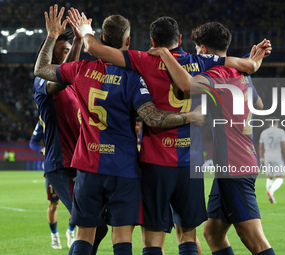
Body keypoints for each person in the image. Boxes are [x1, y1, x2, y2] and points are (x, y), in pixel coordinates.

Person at [79, 12, 266, 255]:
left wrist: (85, 31)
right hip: (190, 163)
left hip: (155, 162)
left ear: (152, 41)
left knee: (152, 239)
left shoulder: (143, 59)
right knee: (188, 234)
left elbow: (95, 50)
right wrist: (253, 62)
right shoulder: (201, 61)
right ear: (179, 38)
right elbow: (241, 65)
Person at [34, 5, 204, 255]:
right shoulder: (134, 77)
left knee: (84, 234)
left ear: (101, 38)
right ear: (128, 41)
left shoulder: (80, 69)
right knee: (122, 236)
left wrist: (51, 36)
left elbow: (41, 69)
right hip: (123, 167)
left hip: (89, 164)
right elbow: (153, 118)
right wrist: (190, 116)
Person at [148, 22, 276, 255]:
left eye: (197, 49)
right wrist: (248, 64)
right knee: (213, 234)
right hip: (238, 162)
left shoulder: (216, 74)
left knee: (254, 239)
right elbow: (259, 105)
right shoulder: (242, 74)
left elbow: (186, 85)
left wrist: (166, 54)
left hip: (234, 166)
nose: (196, 54)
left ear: (204, 50)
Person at [32, 6, 107, 253]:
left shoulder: (72, 83)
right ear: (49, 52)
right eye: (60, 52)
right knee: (89, 222)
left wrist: (77, 40)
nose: (65, 57)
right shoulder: (42, 82)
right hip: (61, 164)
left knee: (101, 225)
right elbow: (58, 79)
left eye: (68, 52)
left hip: (80, 161)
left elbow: (68, 72)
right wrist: (53, 36)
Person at [29, 120, 76, 249]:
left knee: (75, 202)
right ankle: (54, 235)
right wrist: (42, 149)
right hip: (54, 167)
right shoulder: (44, 119)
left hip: (72, 165)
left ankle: (71, 232)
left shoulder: (71, 112)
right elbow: (33, 142)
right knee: (53, 203)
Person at [259, 118, 285, 204]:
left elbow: (261, 147)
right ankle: (271, 191)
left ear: (269, 123)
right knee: (280, 177)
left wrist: (261, 158)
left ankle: (271, 198)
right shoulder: (281, 132)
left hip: (267, 157)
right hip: (277, 156)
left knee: (269, 177)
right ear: (277, 122)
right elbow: (284, 147)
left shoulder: (264, 132)